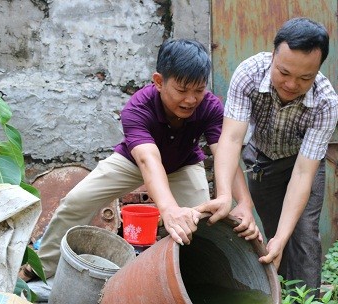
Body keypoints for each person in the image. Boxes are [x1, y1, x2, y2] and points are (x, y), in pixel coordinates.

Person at [31, 39, 259, 280]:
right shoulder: (137, 108)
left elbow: (226, 154)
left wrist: (243, 202)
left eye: (199, 90)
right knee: (75, 201)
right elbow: (148, 161)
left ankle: (196, 285)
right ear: (159, 82)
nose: (191, 99)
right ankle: (41, 271)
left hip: (183, 164)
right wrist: (169, 209)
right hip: (132, 163)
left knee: (201, 226)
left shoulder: (210, 107)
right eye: (182, 90)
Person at [197, 18, 338, 297]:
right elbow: (232, 139)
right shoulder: (248, 74)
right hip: (261, 161)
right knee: (274, 234)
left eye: (305, 78)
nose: (291, 84)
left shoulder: (326, 102)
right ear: (273, 55)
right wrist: (226, 195)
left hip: (302, 163)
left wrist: (284, 238)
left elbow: (302, 173)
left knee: (303, 235)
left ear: (318, 70)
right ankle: (279, 302)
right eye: (284, 72)